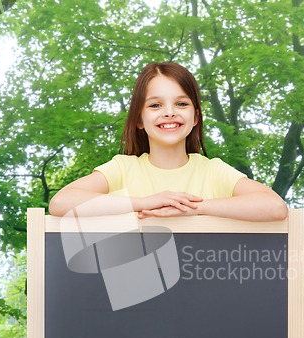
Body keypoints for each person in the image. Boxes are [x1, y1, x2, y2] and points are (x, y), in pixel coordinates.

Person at [49, 62, 288, 222]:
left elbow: (275, 207)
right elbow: (61, 203)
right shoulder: (122, 169)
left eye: (181, 104)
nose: (169, 113)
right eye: (155, 105)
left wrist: (193, 207)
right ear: (139, 120)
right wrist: (146, 202)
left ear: (195, 117)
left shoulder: (212, 171)